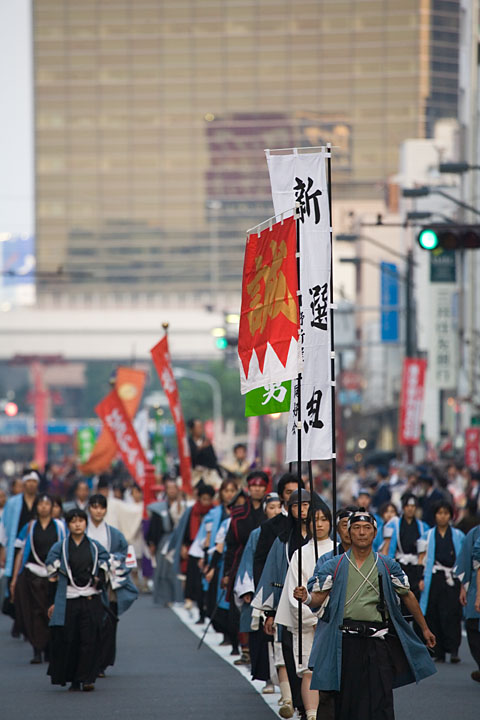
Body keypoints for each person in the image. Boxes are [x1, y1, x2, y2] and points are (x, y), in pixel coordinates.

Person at [298, 510, 436, 720]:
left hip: (378, 642)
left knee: (381, 698)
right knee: (347, 699)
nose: (361, 533)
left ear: (374, 533)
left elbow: (407, 595)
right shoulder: (333, 565)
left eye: (367, 528)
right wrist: (306, 598)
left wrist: (424, 628)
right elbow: (318, 598)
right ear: (348, 532)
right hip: (345, 642)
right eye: (356, 528)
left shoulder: (388, 565)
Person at [252, 488, 312, 720]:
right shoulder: (284, 540)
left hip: (317, 606)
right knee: (290, 653)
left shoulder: (322, 539)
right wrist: (269, 612)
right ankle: (297, 702)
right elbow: (273, 572)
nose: (302, 510)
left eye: (306, 504)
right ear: (289, 509)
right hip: (287, 605)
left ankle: (314, 706)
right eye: (297, 505)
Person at [276, 499, 334, 720]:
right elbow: (294, 593)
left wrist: (327, 616)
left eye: (323, 520)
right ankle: (311, 714)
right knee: (308, 670)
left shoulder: (339, 551)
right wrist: (313, 616)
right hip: (308, 623)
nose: (319, 525)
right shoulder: (299, 554)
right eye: (314, 520)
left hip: (332, 623)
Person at [46, 508, 110, 691]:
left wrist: (100, 575)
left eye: (80, 521)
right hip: (69, 598)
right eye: (73, 521)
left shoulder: (95, 547)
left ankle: (88, 678)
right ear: (68, 525)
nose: (77, 524)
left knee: (89, 640)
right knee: (70, 639)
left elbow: (108, 563)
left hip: (90, 598)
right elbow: (50, 568)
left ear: (85, 523)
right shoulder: (60, 547)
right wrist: (52, 600)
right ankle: (74, 678)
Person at [87, 494, 138, 677]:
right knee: (89, 623)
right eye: (94, 507)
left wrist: (113, 561)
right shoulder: (82, 531)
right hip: (84, 583)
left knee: (109, 622)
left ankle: (102, 663)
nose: (98, 510)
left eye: (101, 507)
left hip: (109, 584)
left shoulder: (114, 534)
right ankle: (90, 661)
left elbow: (124, 553)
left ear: (106, 510)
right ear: (89, 509)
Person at [10, 494, 65, 663]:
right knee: (34, 612)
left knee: (50, 612)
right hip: (32, 574)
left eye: (47, 504)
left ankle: (49, 648)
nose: (43, 507)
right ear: (36, 507)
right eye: (40, 504)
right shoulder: (30, 527)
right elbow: (20, 552)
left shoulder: (60, 527)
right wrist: (14, 578)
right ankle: (36, 649)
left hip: (53, 576)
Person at [418, 500, 464, 663]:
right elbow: (422, 558)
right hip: (434, 575)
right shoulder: (428, 535)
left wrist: (464, 584)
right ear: (435, 515)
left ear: (450, 516)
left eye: (445, 513)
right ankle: (438, 650)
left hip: (452, 577)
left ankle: (453, 650)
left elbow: (463, 559)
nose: (442, 516)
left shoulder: (458, 535)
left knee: (452, 613)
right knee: (434, 612)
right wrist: (422, 578)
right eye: (439, 513)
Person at [1, 469, 40, 624]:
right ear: (24, 484)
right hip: (16, 548)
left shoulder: (41, 501)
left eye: (34, 482)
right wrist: (3, 549)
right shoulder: (13, 503)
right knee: (16, 584)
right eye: (28, 482)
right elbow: (4, 527)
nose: (31, 485)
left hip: (37, 548)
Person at [253, 472, 302, 585]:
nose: (294, 496)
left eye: (297, 492)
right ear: (281, 495)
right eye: (289, 492)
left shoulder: (310, 523)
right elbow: (260, 561)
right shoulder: (269, 526)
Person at [146, 477, 186, 606]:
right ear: (166, 490)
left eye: (174, 488)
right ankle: (165, 598)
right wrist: (152, 543)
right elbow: (153, 528)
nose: (172, 491)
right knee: (163, 570)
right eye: (169, 488)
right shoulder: (159, 508)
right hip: (164, 541)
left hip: (179, 540)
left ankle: (180, 596)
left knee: (178, 570)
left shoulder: (184, 506)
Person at [382, 493, 429, 601]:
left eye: (413, 506)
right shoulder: (394, 524)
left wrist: (422, 574)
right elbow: (388, 547)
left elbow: (423, 553)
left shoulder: (422, 526)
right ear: (403, 507)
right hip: (400, 564)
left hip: (416, 566)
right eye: (408, 506)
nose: (410, 509)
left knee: (415, 596)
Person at [455, 523, 480, 683]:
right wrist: (463, 587)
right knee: (472, 627)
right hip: (475, 586)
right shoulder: (474, 533)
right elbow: (465, 560)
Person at [188, 418, 222, 489]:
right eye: (198, 427)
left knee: (220, 485)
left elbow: (213, 459)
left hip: (207, 473)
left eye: (201, 427)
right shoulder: (188, 443)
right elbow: (190, 459)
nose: (201, 429)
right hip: (193, 473)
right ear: (192, 429)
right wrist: (199, 449)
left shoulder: (207, 442)